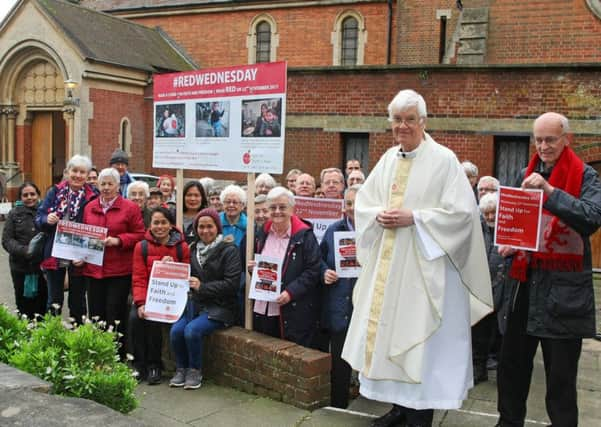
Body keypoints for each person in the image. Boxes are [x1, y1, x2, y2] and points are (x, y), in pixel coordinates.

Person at [342, 89, 492, 427]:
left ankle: (420, 415)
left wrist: (416, 218)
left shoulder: (444, 160)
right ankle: (399, 409)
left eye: (410, 119)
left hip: (427, 273)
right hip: (391, 269)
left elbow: (464, 215)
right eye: (397, 120)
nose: (403, 126)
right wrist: (379, 213)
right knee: (389, 336)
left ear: (423, 122)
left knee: (419, 339)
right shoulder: (388, 159)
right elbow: (364, 201)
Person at [495, 112, 601, 427]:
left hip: (565, 293)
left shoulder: (586, 176)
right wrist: (510, 243)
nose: (543, 146)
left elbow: (592, 216)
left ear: (566, 139)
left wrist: (551, 193)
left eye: (550, 140)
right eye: (538, 140)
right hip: (523, 286)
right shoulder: (524, 173)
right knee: (511, 369)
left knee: (561, 381)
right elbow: (515, 220)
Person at [169, 208, 241, 390]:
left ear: (217, 227)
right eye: (201, 227)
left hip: (221, 307)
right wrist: (171, 265)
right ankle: (181, 368)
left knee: (192, 331)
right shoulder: (193, 248)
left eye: (210, 226)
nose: (205, 231)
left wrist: (203, 287)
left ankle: (195, 370)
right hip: (196, 306)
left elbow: (232, 284)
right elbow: (184, 274)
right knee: (176, 331)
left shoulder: (229, 250)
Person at [81, 167, 145, 359]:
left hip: (118, 270)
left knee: (115, 314)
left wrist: (118, 240)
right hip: (94, 269)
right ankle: (99, 354)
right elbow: (83, 235)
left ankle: (117, 355)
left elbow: (140, 235)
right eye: (103, 184)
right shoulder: (89, 207)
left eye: (110, 184)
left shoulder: (130, 208)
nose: (106, 187)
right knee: (96, 314)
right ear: (98, 185)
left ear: (118, 186)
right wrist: (78, 255)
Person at [249, 187, 321, 348]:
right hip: (264, 306)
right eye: (272, 207)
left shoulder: (305, 235)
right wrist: (253, 269)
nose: (277, 211)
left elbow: (313, 270)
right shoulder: (262, 232)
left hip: (293, 309)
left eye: (282, 207)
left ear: (292, 209)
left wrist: (290, 292)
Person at [131, 207, 189, 385]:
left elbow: (185, 276)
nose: (160, 226)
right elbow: (138, 277)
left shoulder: (182, 247)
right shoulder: (141, 247)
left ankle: (155, 365)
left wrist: (174, 266)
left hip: (171, 300)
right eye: (156, 222)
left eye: (164, 222)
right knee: (135, 319)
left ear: (171, 225)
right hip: (147, 296)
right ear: (150, 225)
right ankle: (138, 365)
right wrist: (141, 303)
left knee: (155, 321)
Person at [35, 154, 97, 320]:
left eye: (82, 172)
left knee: (77, 302)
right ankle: (52, 339)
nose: (77, 175)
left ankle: (77, 341)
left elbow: (97, 228)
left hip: (80, 256)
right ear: (67, 172)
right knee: (54, 301)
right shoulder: (54, 192)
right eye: (74, 170)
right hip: (55, 254)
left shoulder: (93, 196)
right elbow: (38, 218)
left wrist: (86, 255)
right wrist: (46, 219)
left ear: (87, 175)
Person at [318, 184, 361, 408]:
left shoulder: (375, 230)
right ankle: (339, 403)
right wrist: (325, 271)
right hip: (339, 304)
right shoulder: (334, 230)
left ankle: (375, 400)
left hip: (364, 304)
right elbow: (319, 260)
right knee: (340, 358)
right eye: (350, 203)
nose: (353, 208)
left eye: (358, 203)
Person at [2, 182, 47, 319]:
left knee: (42, 304)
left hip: (42, 268)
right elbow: (7, 240)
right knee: (23, 305)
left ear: (38, 195)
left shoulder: (46, 212)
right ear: (20, 197)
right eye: (25, 195)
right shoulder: (14, 214)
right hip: (20, 268)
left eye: (32, 194)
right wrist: (25, 251)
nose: (29, 197)